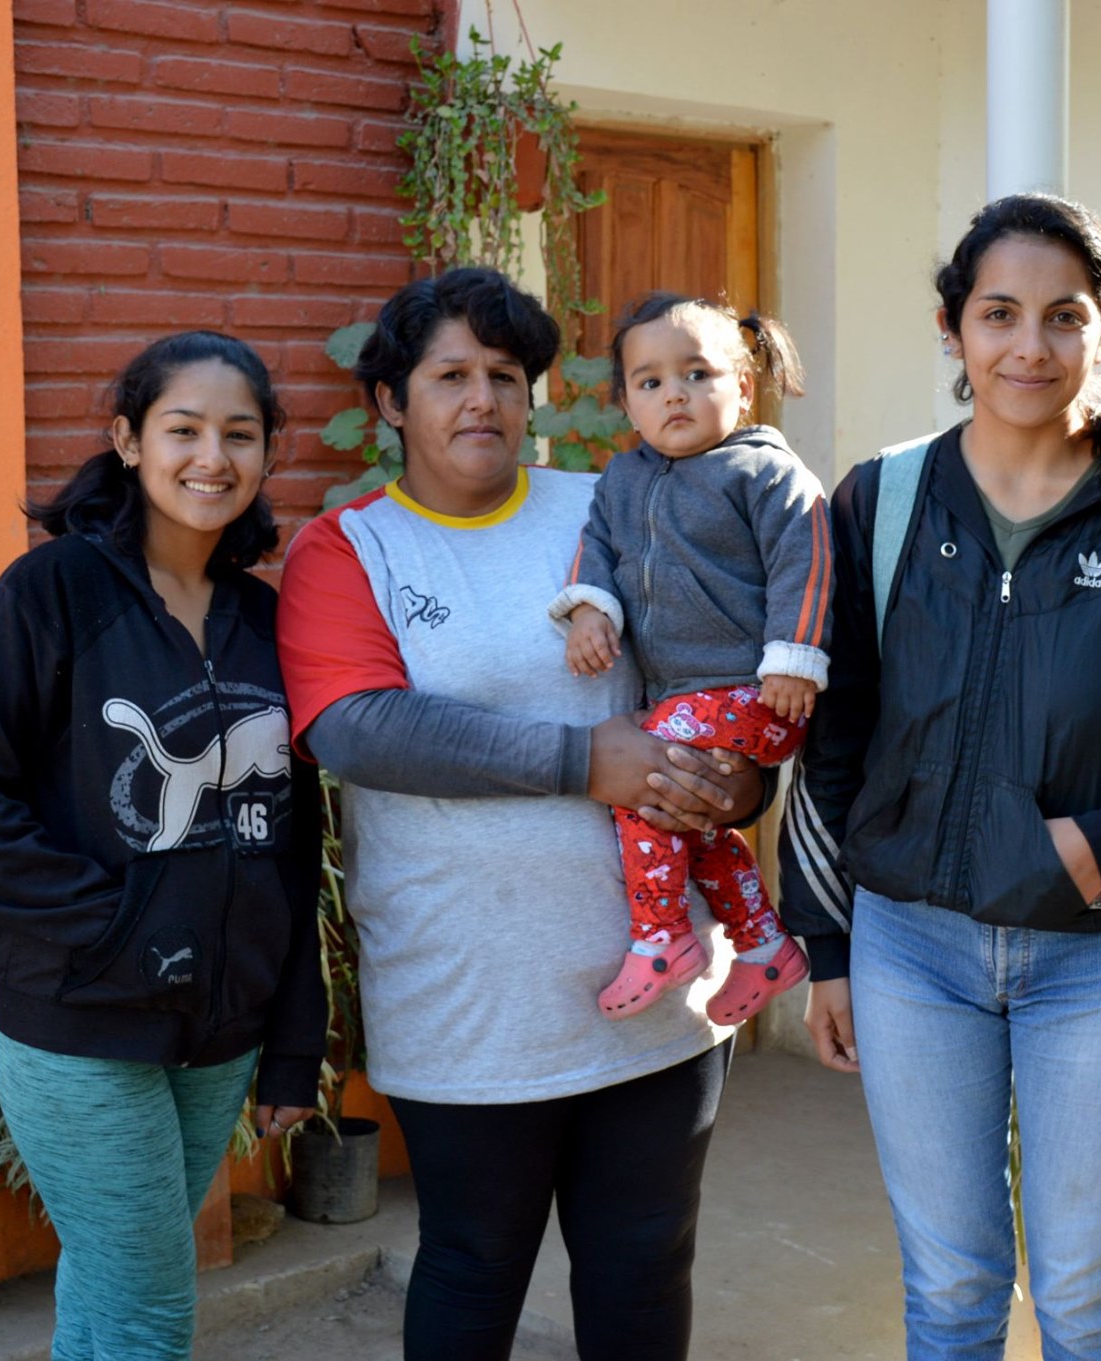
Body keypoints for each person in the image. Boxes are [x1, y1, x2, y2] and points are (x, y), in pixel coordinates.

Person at [779, 194, 1101, 1359]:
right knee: (949, 1291)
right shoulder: (881, 500)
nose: (1029, 345)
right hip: (910, 948)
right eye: (997, 312)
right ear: (952, 328)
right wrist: (828, 946)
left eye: (1063, 315)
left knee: (1088, 1302)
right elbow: (832, 734)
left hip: (1100, 957)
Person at [276, 267, 764, 1361]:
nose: (482, 399)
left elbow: (713, 665)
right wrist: (583, 759)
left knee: (645, 1262)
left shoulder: (611, 505)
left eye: (504, 375)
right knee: (473, 1262)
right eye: (449, 375)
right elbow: (359, 728)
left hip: (660, 987)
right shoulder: (350, 548)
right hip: (469, 1001)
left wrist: (743, 782)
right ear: (389, 401)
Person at [0, 331, 327, 1360]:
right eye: (183, 429)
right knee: (149, 1312)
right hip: (83, 1020)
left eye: (239, 434)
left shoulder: (265, 619)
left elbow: (293, 840)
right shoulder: (54, 592)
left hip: (220, 1033)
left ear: (268, 450)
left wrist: (292, 1037)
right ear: (128, 441)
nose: (211, 457)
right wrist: (115, 926)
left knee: (107, 1294)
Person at [550, 293, 826, 1022]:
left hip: (759, 694)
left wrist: (794, 656)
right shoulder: (622, 480)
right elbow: (596, 547)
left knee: (648, 772)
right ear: (626, 404)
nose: (675, 393)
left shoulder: (764, 472)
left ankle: (661, 935)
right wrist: (589, 609)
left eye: (698, 374)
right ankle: (764, 946)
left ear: (744, 385)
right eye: (651, 382)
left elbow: (808, 562)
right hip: (683, 700)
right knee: (690, 821)